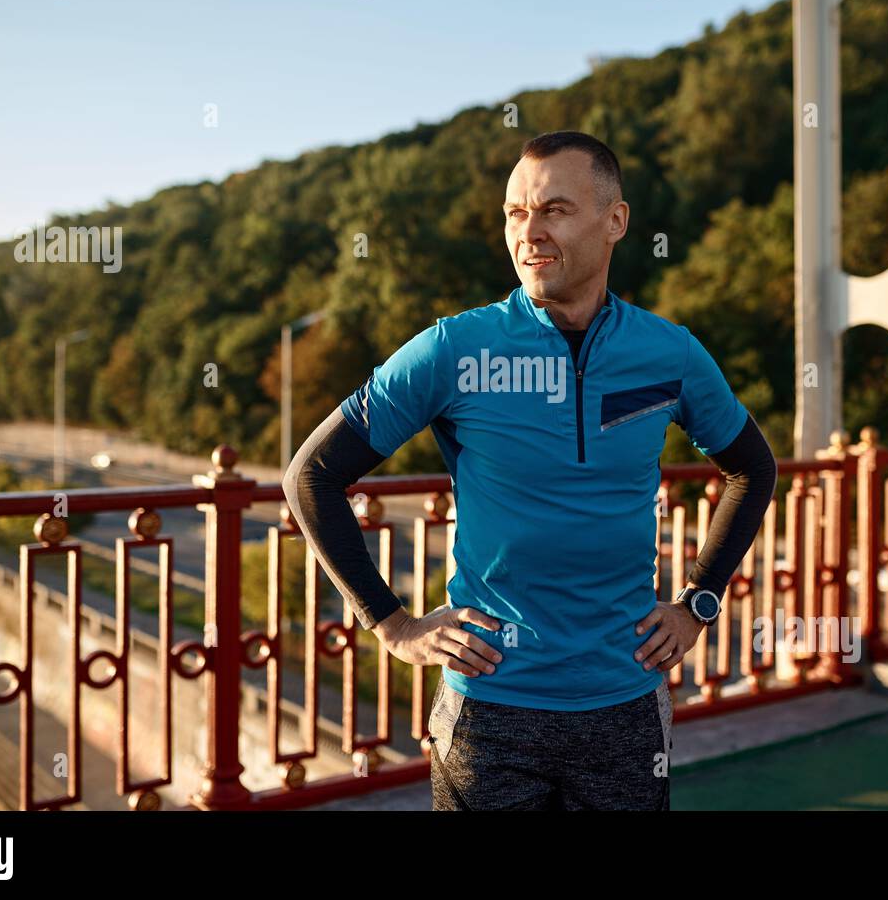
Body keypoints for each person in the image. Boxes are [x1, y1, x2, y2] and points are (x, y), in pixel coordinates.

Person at [282, 130, 777, 810]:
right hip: (490, 711)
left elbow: (752, 468)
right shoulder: (456, 347)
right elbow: (312, 475)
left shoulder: (669, 354)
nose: (530, 232)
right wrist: (391, 626)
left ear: (615, 221)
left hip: (624, 706)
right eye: (517, 213)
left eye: (554, 210)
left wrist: (699, 602)